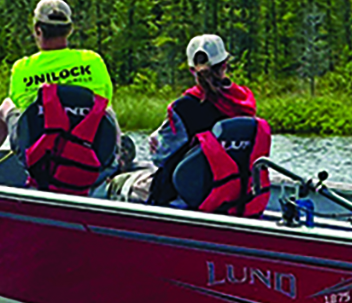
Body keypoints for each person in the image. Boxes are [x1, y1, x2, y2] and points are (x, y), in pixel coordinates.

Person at [0, 0, 116, 167]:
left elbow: (23, 109)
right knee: (106, 109)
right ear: (70, 30)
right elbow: (104, 100)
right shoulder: (92, 60)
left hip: (40, 157)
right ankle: (115, 162)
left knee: (7, 106)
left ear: (38, 30)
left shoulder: (23, 68)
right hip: (90, 152)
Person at [104, 33, 256, 204]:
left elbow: (160, 157)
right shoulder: (245, 105)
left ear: (192, 70)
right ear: (225, 64)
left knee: (117, 184)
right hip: (235, 196)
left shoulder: (183, 108)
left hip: (182, 198)